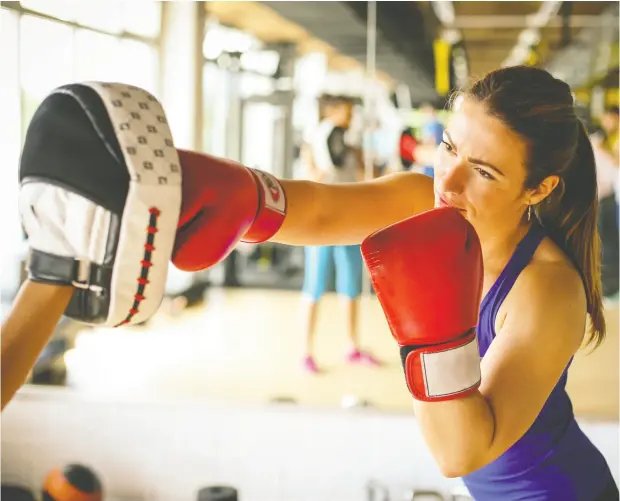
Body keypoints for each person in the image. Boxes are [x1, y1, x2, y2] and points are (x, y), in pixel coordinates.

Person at [4, 67, 617, 500]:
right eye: (448, 146)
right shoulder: (425, 198)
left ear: (537, 189)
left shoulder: (545, 289)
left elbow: (462, 452)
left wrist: (430, 332)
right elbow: (319, 210)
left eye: (482, 171)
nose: (448, 184)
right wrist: (193, 186)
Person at [298, 94, 380, 372]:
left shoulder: (350, 145)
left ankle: (352, 346)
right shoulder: (313, 144)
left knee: (350, 287)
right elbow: (310, 179)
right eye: (347, 111)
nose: (352, 117)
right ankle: (306, 351)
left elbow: (362, 180)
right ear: (332, 111)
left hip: (349, 224)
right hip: (320, 226)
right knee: (314, 287)